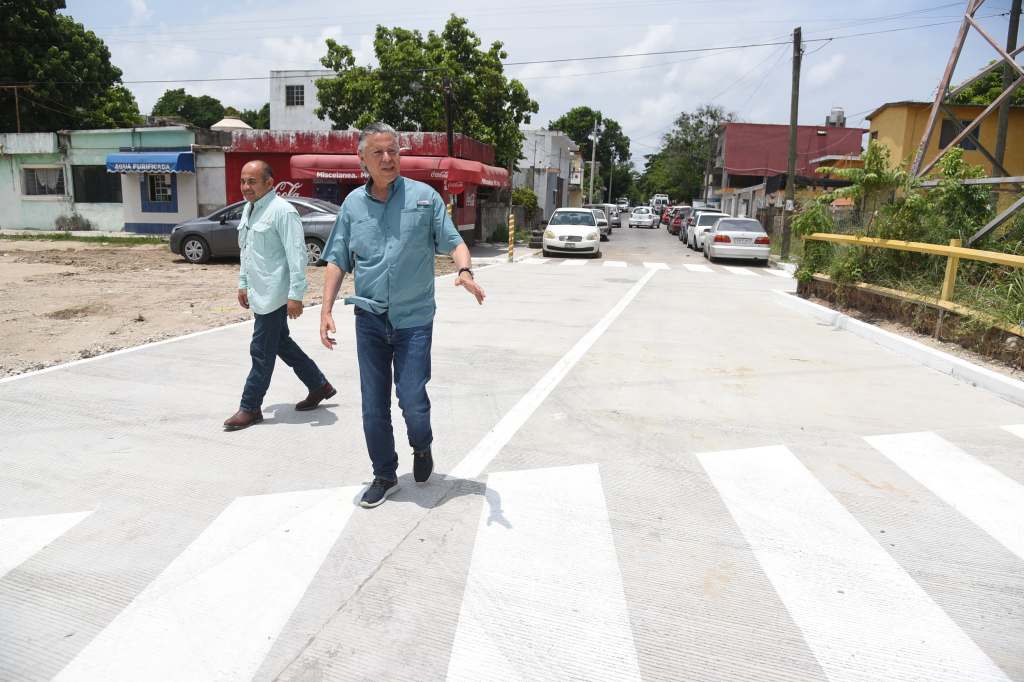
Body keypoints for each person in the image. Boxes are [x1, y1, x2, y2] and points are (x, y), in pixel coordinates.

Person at [319, 122, 485, 508]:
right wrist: (325, 310)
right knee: (373, 403)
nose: (388, 158)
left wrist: (464, 271)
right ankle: (384, 473)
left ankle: (422, 445)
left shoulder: (424, 199)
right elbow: (337, 259)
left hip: (414, 320)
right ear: (362, 159)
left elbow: (455, 242)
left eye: (393, 150)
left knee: (411, 397)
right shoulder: (353, 206)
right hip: (370, 319)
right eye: (378, 152)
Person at [223, 160, 336, 431]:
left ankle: (250, 406)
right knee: (281, 343)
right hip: (258, 292)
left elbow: (297, 254)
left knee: (261, 350)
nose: (246, 187)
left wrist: (296, 294)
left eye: (252, 181)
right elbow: (246, 251)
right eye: (242, 181)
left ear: (269, 182)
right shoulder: (250, 210)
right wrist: (242, 283)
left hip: (276, 294)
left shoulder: (282, 212)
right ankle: (319, 385)